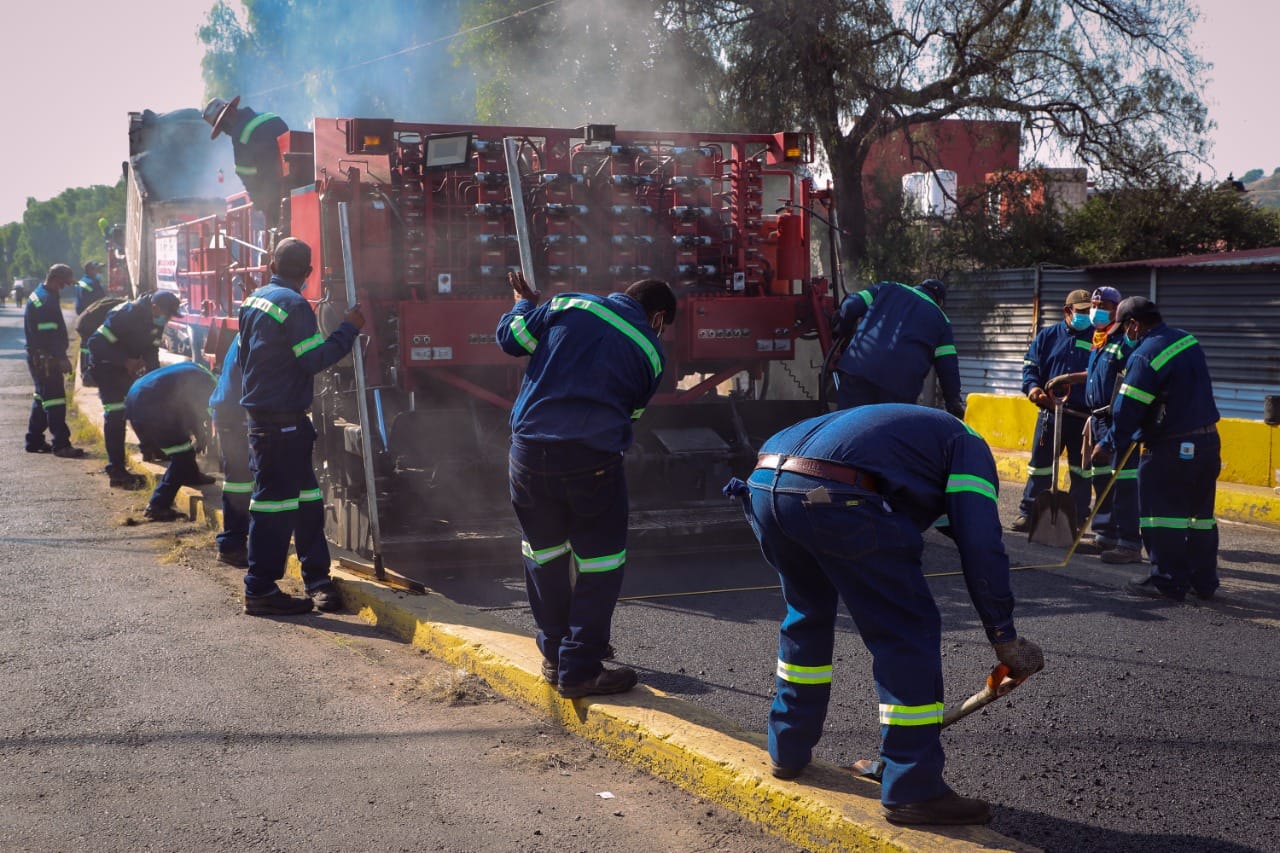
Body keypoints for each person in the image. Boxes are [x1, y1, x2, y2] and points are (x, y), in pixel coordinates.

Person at [725, 404, 1043, 825]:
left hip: (765, 486)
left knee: (806, 614)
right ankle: (914, 788)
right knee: (907, 633)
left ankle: (787, 750)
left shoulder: (901, 434)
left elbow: (943, 520)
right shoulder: (969, 447)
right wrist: (1004, 635)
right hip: (837, 495)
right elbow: (981, 544)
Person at [497, 270, 676, 699]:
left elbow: (511, 339)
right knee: (600, 563)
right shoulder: (651, 353)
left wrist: (524, 303)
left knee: (544, 555)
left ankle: (556, 654)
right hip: (591, 463)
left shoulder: (567, 304)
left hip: (527, 455)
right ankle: (580, 669)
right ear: (657, 318)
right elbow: (628, 419)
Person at [238, 238, 364, 616]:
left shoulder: (254, 298)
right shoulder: (294, 305)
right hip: (279, 425)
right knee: (273, 507)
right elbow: (313, 360)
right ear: (308, 273)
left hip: (274, 421)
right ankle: (259, 588)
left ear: (270, 263)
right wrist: (349, 329)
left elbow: (245, 356)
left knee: (308, 501)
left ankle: (317, 580)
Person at [1111, 297, 1221, 602]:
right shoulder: (1187, 340)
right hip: (1208, 442)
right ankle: (1204, 581)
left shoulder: (1145, 355)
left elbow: (1127, 409)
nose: (1124, 335)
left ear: (1134, 324)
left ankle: (1167, 581)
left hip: (1170, 447)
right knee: (1200, 517)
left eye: (1124, 328)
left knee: (1162, 516)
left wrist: (1109, 443)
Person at [1046, 286, 1141, 561]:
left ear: (1117, 310)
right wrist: (1067, 378)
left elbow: (1130, 372)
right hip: (1097, 419)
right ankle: (1105, 536)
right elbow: (1095, 373)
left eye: (1103, 305)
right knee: (1101, 481)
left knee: (1122, 483)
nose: (1096, 309)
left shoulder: (1124, 340)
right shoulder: (1100, 339)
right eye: (1094, 304)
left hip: (1117, 419)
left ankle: (1129, 543)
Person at [1010, 289, 1095, 532]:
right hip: (1049, 414)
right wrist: (1034, 388)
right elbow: (1031, 366)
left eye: (1089, 311)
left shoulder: (1098, 340)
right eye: (1081, 311)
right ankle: (1029, 512)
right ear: (1068, 312)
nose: (1087, 315)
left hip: (1082, 418)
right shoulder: (1047, 336)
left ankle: (1076, 519)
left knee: (1081, 471)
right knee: (1041, 465)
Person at [87, 290, 183, 489]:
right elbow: (95, 343)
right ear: (155, 306)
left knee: (143, 406)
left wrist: (154, 376)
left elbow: (151, 348)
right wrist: (125, 360)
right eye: (165, 314)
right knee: (116, 414)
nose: (166, 319)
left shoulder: (156, 319)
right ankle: (116, 470)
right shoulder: (125, 314)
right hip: (107, 368)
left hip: (128, 370)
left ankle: (150, 447)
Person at [830, 279, 964, 417]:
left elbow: (851, 306)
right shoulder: (942, 320)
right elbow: (948, 368)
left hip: (858, 372)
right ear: (940, 302)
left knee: (845, 427)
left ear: (918, 286)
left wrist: (839, 331)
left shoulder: (886, 288)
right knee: (884, 435)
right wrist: (953, 402)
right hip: (900, 390)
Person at [124, 361, 217, 521]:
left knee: (182, 448)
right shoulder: (209, 386)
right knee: (182, 456)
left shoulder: (196, 370)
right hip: (153, 406)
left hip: (135, 398)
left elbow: (189, 409)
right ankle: (157, 505)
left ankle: (191, 474)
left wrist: (200, 432)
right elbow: (203, 412)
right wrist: (203, 434)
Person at [23, 264, 85, 458]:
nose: (64, 288)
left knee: (42, 399)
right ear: (55, 278)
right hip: (46, 360)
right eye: (63, 284)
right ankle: (61, 444)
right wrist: (61, 358)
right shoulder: (45, 301)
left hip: (40, 358)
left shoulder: (40, 294)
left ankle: (33, 440)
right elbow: (48, 335)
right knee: (56, 400)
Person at [202, 96, 289, 229]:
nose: (225, 132)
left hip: (275, 198)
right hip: (297, 184)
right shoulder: (271, 116)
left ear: (231, 112)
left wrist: (258, 204)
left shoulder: (241, 135)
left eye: (223, 126)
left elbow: (246, 174)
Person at [209, 333, 251, 568]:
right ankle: (232, 545)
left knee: (240, 479)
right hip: (237, 415)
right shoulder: (261, 334)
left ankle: (234, 542)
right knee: (240, 480)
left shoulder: (248, 329)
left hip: (230, 411)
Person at [74, 261, 108, 381]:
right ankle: (88, 373)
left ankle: (85, 371)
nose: (99, 272)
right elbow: (100, 302)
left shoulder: (83, 281)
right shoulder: (91, 284)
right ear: (90, 270)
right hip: (91, 319)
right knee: (92, 344)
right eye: (97, 269)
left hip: (85, 317)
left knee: (85, 345)